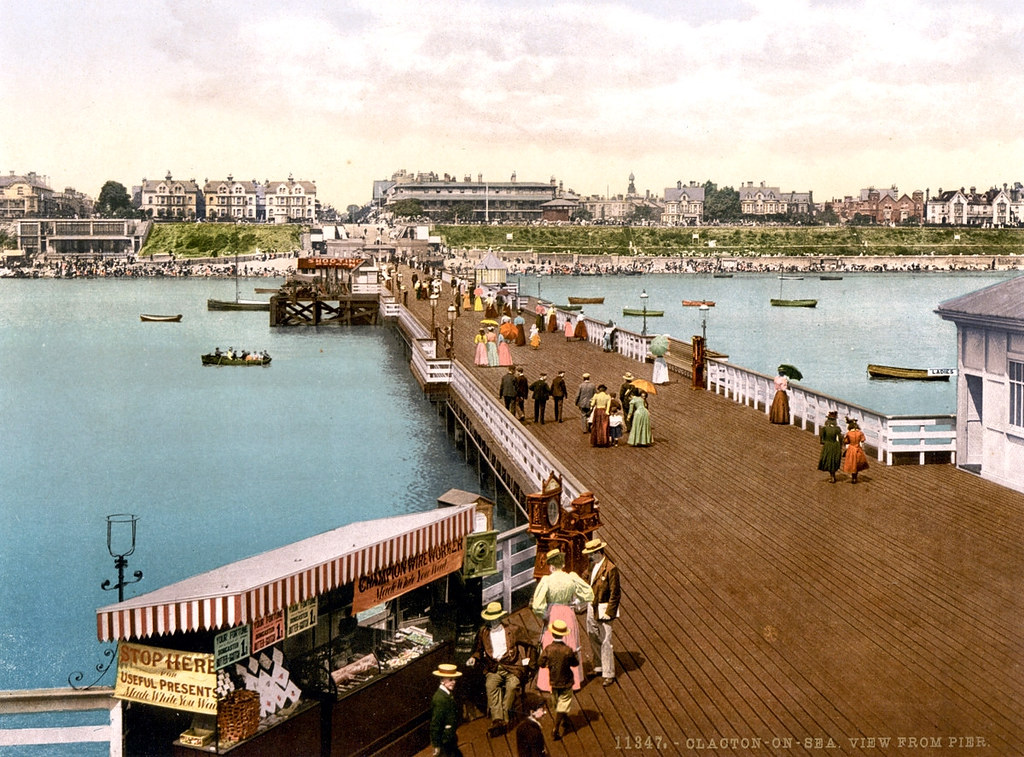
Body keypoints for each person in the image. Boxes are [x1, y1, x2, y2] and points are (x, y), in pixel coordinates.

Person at [466, 602, 535, 737]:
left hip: (512, 667)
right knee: (490, 685)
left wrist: (528, 663)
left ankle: (504, 717)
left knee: (512, 686)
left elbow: (530, 644)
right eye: (491, 619)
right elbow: (479, 650)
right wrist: (474, 658)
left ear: (500, 618)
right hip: (494, 668)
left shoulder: (512, 630)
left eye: (496, 619)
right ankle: (498, 720)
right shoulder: (484, 632)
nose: (493, 622)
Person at [531, 549, 593, 697]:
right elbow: (589, 593)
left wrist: (544, 614)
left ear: (551, 566)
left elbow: (537, 605)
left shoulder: (547, 580)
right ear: (563, 564)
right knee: (570, 644)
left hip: (553, 613)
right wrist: (576, 603)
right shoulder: (571, 577)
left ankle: (547, 683)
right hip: (568, 613)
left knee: (550, 645)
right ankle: (573, 681)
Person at [582, 537, 620, 688]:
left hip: (604, 609)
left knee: (606, 641)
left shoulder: (611, 569)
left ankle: (609, 673)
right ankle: (598, 666)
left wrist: (610, 612)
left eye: (591, 554)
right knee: (592, 634)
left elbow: (615, 594)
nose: (589, 557)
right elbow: (586, 578)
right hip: (592, 606)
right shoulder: (593, 564)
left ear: (598, 552)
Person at [538, 620, 579, 742]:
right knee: (563, 704)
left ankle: (564, 719)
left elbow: (541, 663)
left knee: (558, 703)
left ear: (553, 634)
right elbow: (575, 663)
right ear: (563, 635)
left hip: (554, 681)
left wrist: (548, 664)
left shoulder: (548, 649)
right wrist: (575, 655)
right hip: (566, 681)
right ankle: (555, 728)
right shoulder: (567, 650)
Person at [430, 663, 463, 757]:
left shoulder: (447, 694)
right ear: (442, 681)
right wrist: (436, 745)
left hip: (450, 738)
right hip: (444, 740)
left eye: (454, 679)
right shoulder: (440, 699)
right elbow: (435, 723)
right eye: (450, 680)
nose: (454, 682)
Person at [842, 417, 869, 484]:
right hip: (858, 448)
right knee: (857, 463)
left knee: (852, 463)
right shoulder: (860, 433)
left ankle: (853, 478)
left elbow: (846, 441)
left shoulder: (849, 433)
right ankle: (855, 477)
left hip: (851, 448)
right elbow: (862, 440)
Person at [818, 410, 843, 483]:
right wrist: (840, 446)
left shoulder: (824, 428)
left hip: (827, 445)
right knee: (834, 460)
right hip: (835, 445)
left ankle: (832, 476)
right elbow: (840, 439)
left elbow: (822, 439)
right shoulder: (837, 429)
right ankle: (833, 476)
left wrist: (824, 442)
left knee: (828, 460)